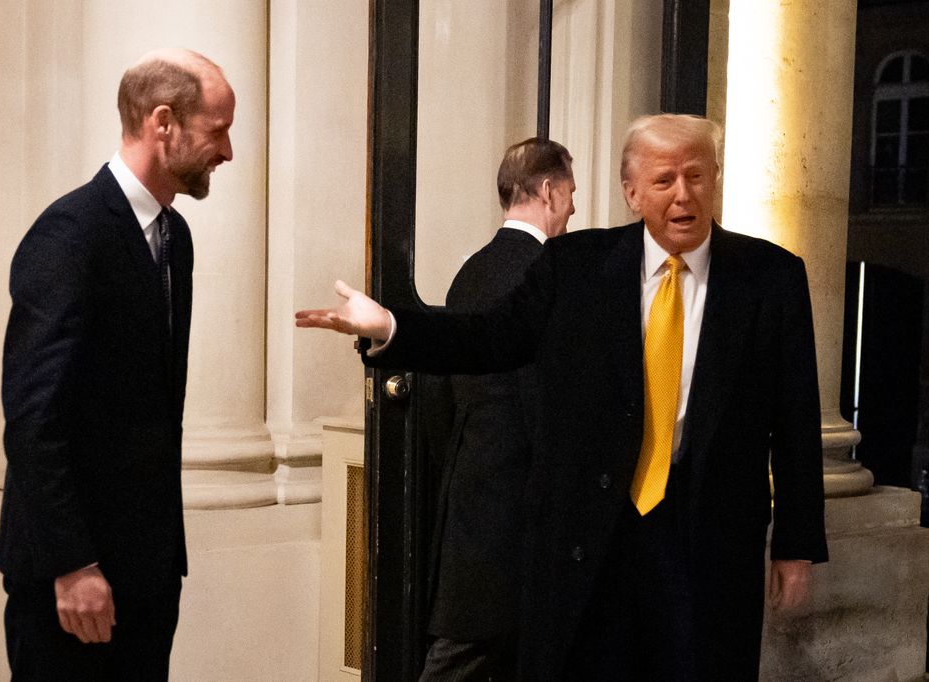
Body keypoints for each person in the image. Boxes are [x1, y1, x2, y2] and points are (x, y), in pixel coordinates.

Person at [296, 114, 828, 681]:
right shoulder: (578, 267)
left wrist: (795, 544)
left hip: (709, 539)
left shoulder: (770, 277)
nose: (683, 196)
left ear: (715, 180)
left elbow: (794, 419)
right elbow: (493, 337)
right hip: (595, 538)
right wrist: (392, 327)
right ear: (631, 193)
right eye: (664, 180)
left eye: (697, 177)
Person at [0, 48, 235, 679]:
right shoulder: (69, 233)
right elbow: (32, 417)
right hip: (72, 581)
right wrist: (73, 563)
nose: (228, 151)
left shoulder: (173, 238)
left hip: (147, 571)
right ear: (164, 123)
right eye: (217, 130)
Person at [419, 138, 574, 681]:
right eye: (571, 192)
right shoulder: (550, 273)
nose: (574, 208)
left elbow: (441, 391)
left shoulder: (469, 271)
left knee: (468, 651)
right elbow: (547, 399)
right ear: (550, 191)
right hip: (522, 503)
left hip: (468, 489)